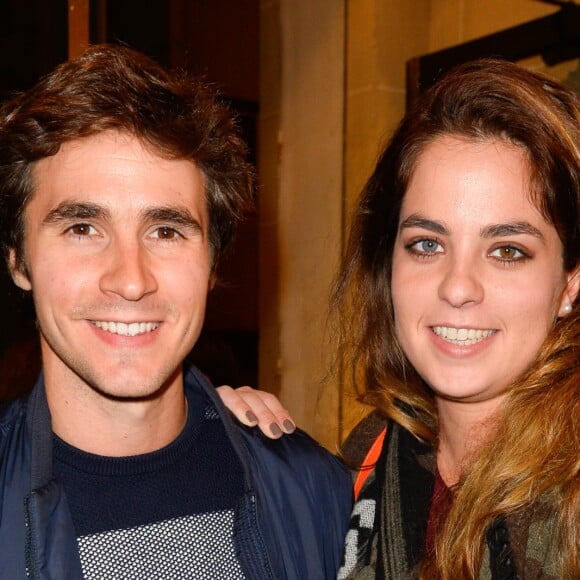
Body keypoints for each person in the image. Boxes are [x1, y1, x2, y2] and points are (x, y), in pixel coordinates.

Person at [0, 44, 352, 579]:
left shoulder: (314, 490)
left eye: (166, 231)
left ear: (213, 263)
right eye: (82, 228)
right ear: (19, 260)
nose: (131, 279)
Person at [219, 58, 580, 579]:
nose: (458, 287)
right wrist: (226, 448)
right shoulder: (373, 457)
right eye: (427, 244)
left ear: (570, 283)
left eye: (506, 250)